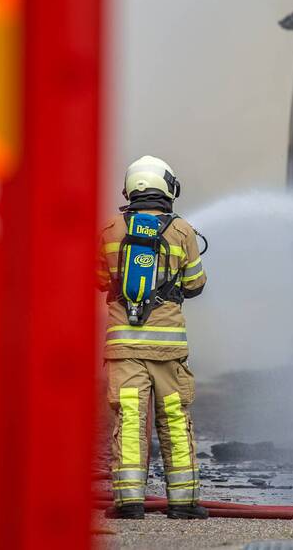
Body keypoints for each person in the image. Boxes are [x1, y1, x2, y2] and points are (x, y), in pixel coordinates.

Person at [96, 155, 208, 520]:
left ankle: (129, 500)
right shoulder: (182, 231)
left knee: (129, 419)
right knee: (175, 418)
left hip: (124, 348)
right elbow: (195, 283)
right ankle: (183, 502)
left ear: (131, 187)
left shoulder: (110, 228)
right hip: (169, 350)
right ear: (167, 187)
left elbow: (97, 279)